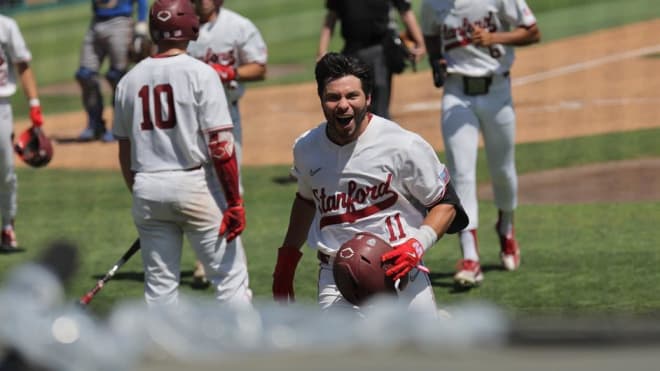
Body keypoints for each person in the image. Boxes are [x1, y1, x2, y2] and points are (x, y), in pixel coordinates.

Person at [272, 53, 468, 315]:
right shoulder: (307, 149)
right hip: (336, 275)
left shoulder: (403, 145)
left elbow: (446, 204)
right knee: (346, 353)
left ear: (369, 98)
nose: (343, 105)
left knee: (422, 353)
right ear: (321, 99)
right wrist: (287, 261)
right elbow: (306, 201)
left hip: (400, 269)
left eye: (352, 96)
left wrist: (417, 244)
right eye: (333, 97)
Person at [112, 0, 251, 307]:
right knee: (230, 279)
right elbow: (221, 147)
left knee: (160, 290)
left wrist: (139, 194)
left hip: (147, 187)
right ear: (191, 26)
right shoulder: (201, 74)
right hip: (194, 186)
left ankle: (162, 353)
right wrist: (234, 203)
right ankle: (245, 347)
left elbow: (124, 149)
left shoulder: (127, 82)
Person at [420, 0, 541, 287]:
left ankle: (506, 226)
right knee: (461, 173)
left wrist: (494, 37)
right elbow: (429, 33)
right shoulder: (432, 3)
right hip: (456, 93)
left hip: (497, 91)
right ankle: (470, 257)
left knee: (503, 171)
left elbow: (533, 32)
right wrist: (435, 59)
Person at [187, 0, 267, 285]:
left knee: (229, 184)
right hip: (187, 118)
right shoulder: (181, 26)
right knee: (194, 184)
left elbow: (259, 67)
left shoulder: (238, 26)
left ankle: (222, 257)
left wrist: (229, 73)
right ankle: (205, 257)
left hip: (225, 113)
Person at [317, 0, 426, 119]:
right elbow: (331, 17)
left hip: (380, 50)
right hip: (352, 52)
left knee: (379, 105)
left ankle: (381, 132)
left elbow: (405, 11)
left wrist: (420, 42)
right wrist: (322, 50)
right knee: (352, 101)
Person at [0, 15, 45, 249]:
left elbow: (22, 64)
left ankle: (7, 225)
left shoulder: (6, 26)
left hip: (1, 108)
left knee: (6, 172)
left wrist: (34, 104)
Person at [75, 0, 148, 142]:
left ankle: (120, 126)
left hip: (120, 21)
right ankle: (95, 125)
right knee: (85, 75)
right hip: (96, 21)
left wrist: (141, 21)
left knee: (118, 77)